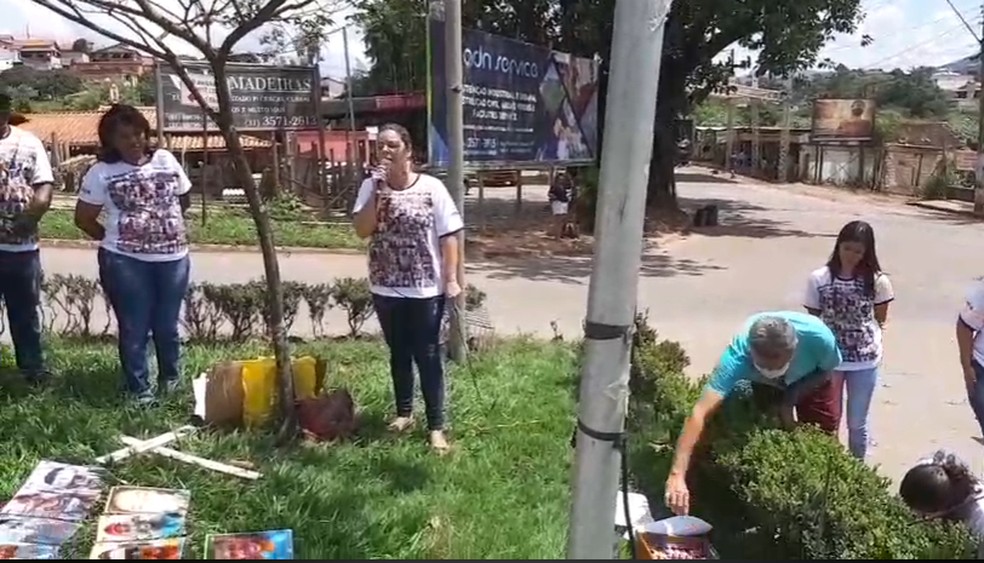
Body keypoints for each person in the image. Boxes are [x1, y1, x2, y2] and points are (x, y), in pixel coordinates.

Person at [351, 122, 463, 453]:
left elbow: (450, 236)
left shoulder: (431, 188)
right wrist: (377, 189)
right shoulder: (371, 187)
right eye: (381, 146)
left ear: (408, 151)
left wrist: (453, 279)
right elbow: (362, 229)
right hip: (386, 287)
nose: (385, 151)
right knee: (398, 353)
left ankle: (436, 427)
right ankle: (404, 413)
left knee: (428, 356)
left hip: (426, 289)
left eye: (392, 146)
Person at [664, 312, 842, 516]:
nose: (768, 369)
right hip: (764, 387)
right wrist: (677, 474)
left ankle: (829, 500)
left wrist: (790, 399)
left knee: (824, 434)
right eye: (762, 365)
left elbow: (827, 369)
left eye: (775, 365)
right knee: (767, 427)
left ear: (793, 352)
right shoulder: (737, 357)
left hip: (811, 378)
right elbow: (699, 413)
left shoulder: (819, 339)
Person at [74, 104, 192, 406]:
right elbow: (84, 219)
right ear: (110, 140)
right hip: (125, 262)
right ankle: (140, 391)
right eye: (124, 136)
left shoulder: (166, 159)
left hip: (173, 259)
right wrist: (117, 240)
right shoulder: (101, 173)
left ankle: (171, 380)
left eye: (138, 133)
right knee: (134, 326)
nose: (134, 141)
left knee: (167, 325)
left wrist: (163, 229)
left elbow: (183, 199)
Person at [804, 220, 894, 460]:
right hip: (830, 360)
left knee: (857, 423)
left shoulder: (877, 281)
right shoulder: (819, 278)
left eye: (858, 251)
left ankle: (857, 470)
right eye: (847, 248)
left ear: (867, 252)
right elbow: (813, 319)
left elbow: (881, 317)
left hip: (865, 361)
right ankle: (829, 470)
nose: (851, 255)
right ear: (838, 246)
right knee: (829, 420)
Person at [0, 92, 54, 385]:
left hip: (22, 248)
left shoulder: (28, 142)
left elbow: (44, 186)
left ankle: (33, 371)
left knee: (25, 314)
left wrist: (31, 216)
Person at [900, 450, 984, 557]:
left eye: (924, 515)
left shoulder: (979, 521)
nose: (919, 518)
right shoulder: (931, 472)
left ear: (942, 509)